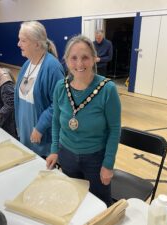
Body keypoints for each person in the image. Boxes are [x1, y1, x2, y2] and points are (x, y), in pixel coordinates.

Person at [46, 35, 121, 207]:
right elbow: (56, 121)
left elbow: (115, 130)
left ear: (94, 58)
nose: (79, 64)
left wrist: (108, 164)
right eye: (73, 58)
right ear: (65, 60)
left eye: (85, 57)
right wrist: (54, 150)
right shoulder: (60, 87)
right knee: (74, 200)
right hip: (67, 155)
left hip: (96, 159)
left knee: (100, 205)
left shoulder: (107, 89)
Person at [15, 21, 64, 158]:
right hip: (26, 133)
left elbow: (59, 103)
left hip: (42, 138)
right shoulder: (26, 64)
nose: (18, 44)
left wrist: (40, 127)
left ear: (36, 44)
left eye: (23, 40)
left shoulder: (52, 67)